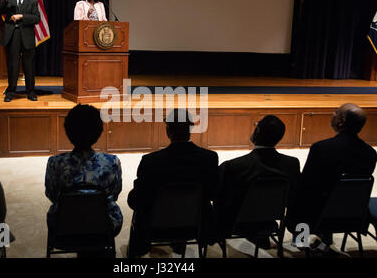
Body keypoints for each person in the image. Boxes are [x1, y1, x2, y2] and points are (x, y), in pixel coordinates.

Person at [287, 103, 377, 255]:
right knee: (334, 195)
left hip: (318, 214)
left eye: (335, 112)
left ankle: (301, 241)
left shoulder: (321, 148)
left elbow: (307, 185)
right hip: (352, 213)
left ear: (341, 121)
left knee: (299, 195)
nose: (332, 113)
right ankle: (324, 241)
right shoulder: (370, 153)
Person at [127, 109, 219, 257]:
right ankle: (179, 242)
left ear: (168, 130)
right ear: (190, 130)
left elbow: (135, 201)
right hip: (197, 226)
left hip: (155, 227)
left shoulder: (151, 161)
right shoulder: (209, 158)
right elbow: (213, 194)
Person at [214, 115, 300, 248]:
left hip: (237, 223)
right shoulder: (292, 164)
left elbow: (218, 197)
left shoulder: (234, 166)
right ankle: (262, 234)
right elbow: (294, 197)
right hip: (270, 221)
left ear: (257, 131)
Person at [45, 104, 123, 238]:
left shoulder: (55, 163)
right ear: (98, 132)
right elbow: (114, 193)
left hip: (63, 226)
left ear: (68, 131)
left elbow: (51, 195)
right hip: (105, 226)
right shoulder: (112, 162)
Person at [0, 0, 40, 103]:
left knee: (29, 66)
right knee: (13, 66)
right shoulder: (9, 0)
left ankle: (31, 92)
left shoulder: (32, 2)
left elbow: (37, 18)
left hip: (27, 37)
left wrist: (21, 16)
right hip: (13, 36)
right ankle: (11, 92)